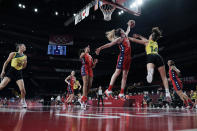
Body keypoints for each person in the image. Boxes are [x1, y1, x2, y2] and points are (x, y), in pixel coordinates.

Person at [95, 20, 135, 100]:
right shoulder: (119, 39)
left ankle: (121, 94)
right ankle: (108, 90)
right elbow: (109, 44)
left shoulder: (126, 36)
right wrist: (100, 48)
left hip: (128, 58)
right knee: (117, 73)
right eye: (122, 30)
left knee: (125, 76)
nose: (124, 31)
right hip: (122, 57)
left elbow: (128, 30)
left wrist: (129, 25)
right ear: (121, 32)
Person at [129, 27, 171, 101]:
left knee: (150, 69)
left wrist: (126, 37)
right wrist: (139, 36)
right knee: (164, 77)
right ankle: (168, 93)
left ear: (151, 37)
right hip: (158, 57)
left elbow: (133, 40)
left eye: (150, 35)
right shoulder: (155, 42)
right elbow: (146, 39)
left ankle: (150, 72)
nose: (149, 36)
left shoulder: (147, 42)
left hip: (150, 56)